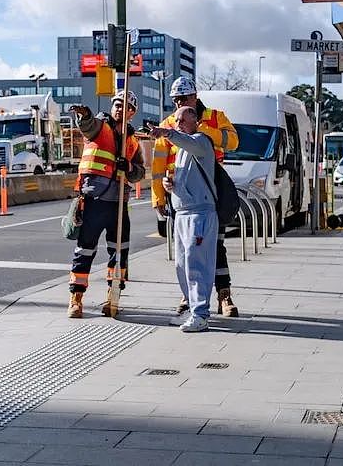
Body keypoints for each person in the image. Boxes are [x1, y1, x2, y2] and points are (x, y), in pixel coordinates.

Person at [151, 76, 240, 318]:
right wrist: (159, 195)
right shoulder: (168, 123)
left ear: (195, 96)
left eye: (185, 98)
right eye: (176, 99)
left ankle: (224, 294)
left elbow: (232, 141)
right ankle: (188, 296)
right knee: (185, 251)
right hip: (179, 194)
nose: (180, 102)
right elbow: (159, 163)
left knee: (216, 246)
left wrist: (197, 128)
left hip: (210, 192)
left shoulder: (214, 117)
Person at [66, 91, 145, 318]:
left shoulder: (132, 142)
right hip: (93, 201)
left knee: (119, 253)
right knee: (84, 250)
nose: (120, 108)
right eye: (117, 104)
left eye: (125, 106)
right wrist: (84, 115)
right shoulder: (102, 128)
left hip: (118, 205)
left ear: (132, 113)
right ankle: (76, 299)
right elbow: (89, 126)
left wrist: (128, 168)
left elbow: (139, 173)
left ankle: (113, 298)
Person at [149, 106, 219, 332]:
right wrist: (171, 186)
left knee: (196, 263)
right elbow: (186, 177)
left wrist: (167, 133)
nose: (178, 123)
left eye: (183, 120)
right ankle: (193, 309)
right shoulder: (181, 150)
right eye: (176, 120)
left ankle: (200, 313)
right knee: (183, 264)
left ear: (195, 121)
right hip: (182, 213)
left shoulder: (201, 141)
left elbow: (188, 142)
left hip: (199, 213)